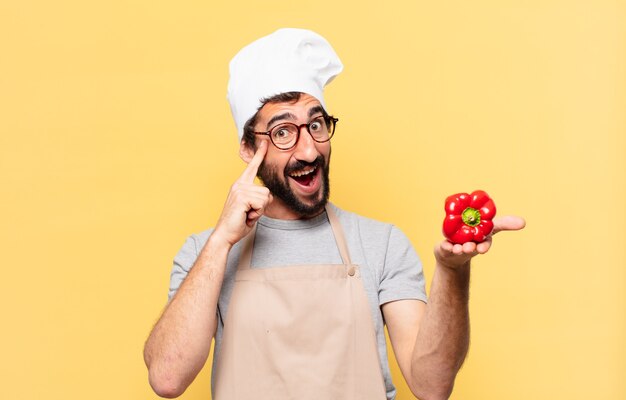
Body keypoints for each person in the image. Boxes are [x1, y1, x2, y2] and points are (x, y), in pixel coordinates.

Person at [143, 28, 525, 400]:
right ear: (247, 147)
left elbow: (431, 385)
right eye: (283, 132)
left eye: (316, 124)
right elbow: (167, 376)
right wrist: (222, 241)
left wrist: (453, 273)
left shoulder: (382, 244)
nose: (309, 150)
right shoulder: (204, 255)